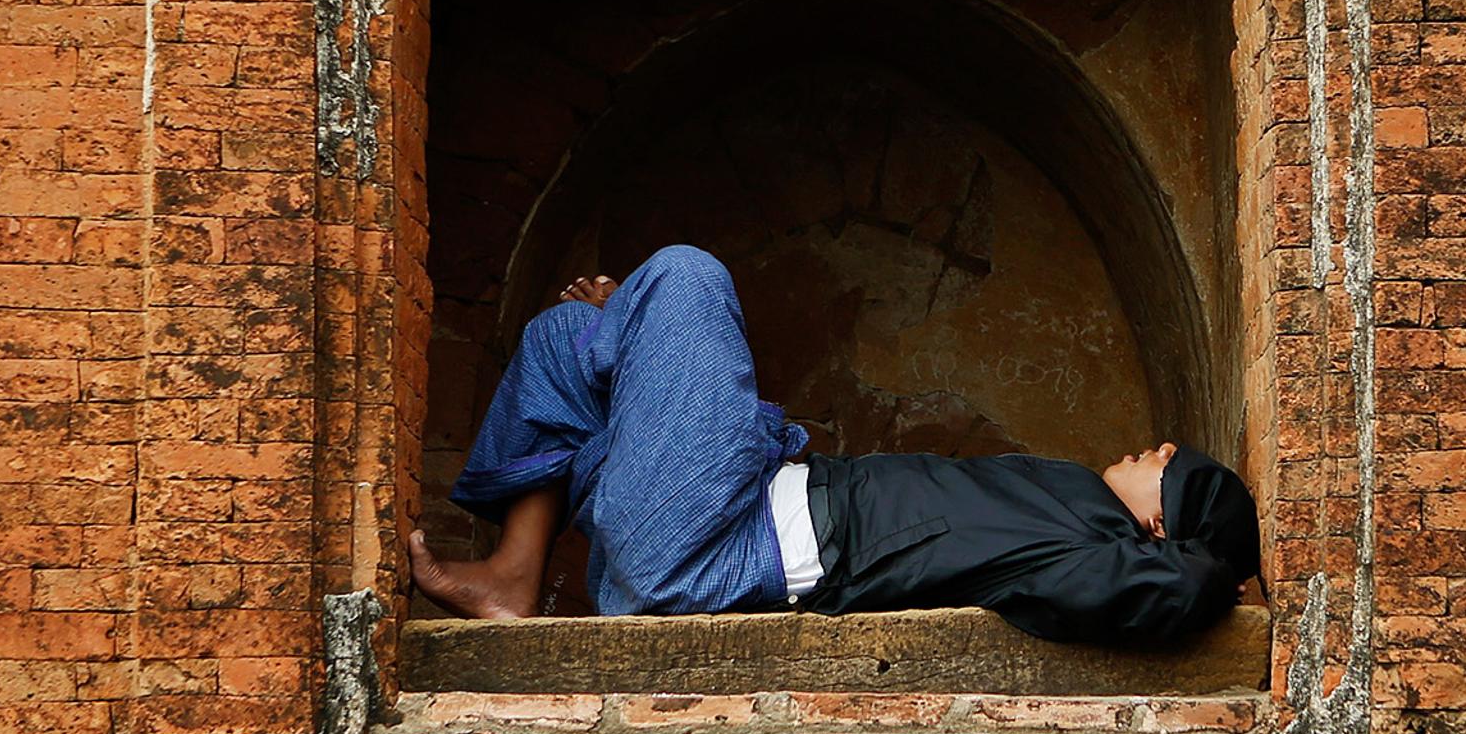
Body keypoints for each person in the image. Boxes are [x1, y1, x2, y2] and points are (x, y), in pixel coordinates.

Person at [407, 244, 1260, 650]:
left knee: (687, 275)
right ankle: (515, 575)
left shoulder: (1084, 547)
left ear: (1159, 530)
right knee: (562, 338)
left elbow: (1175, 591)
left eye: (1171, 470)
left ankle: (632, 316)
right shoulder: (1064, 505)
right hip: (733, 504)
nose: (1159, 449)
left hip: (720, 551)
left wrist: (1215, 567)